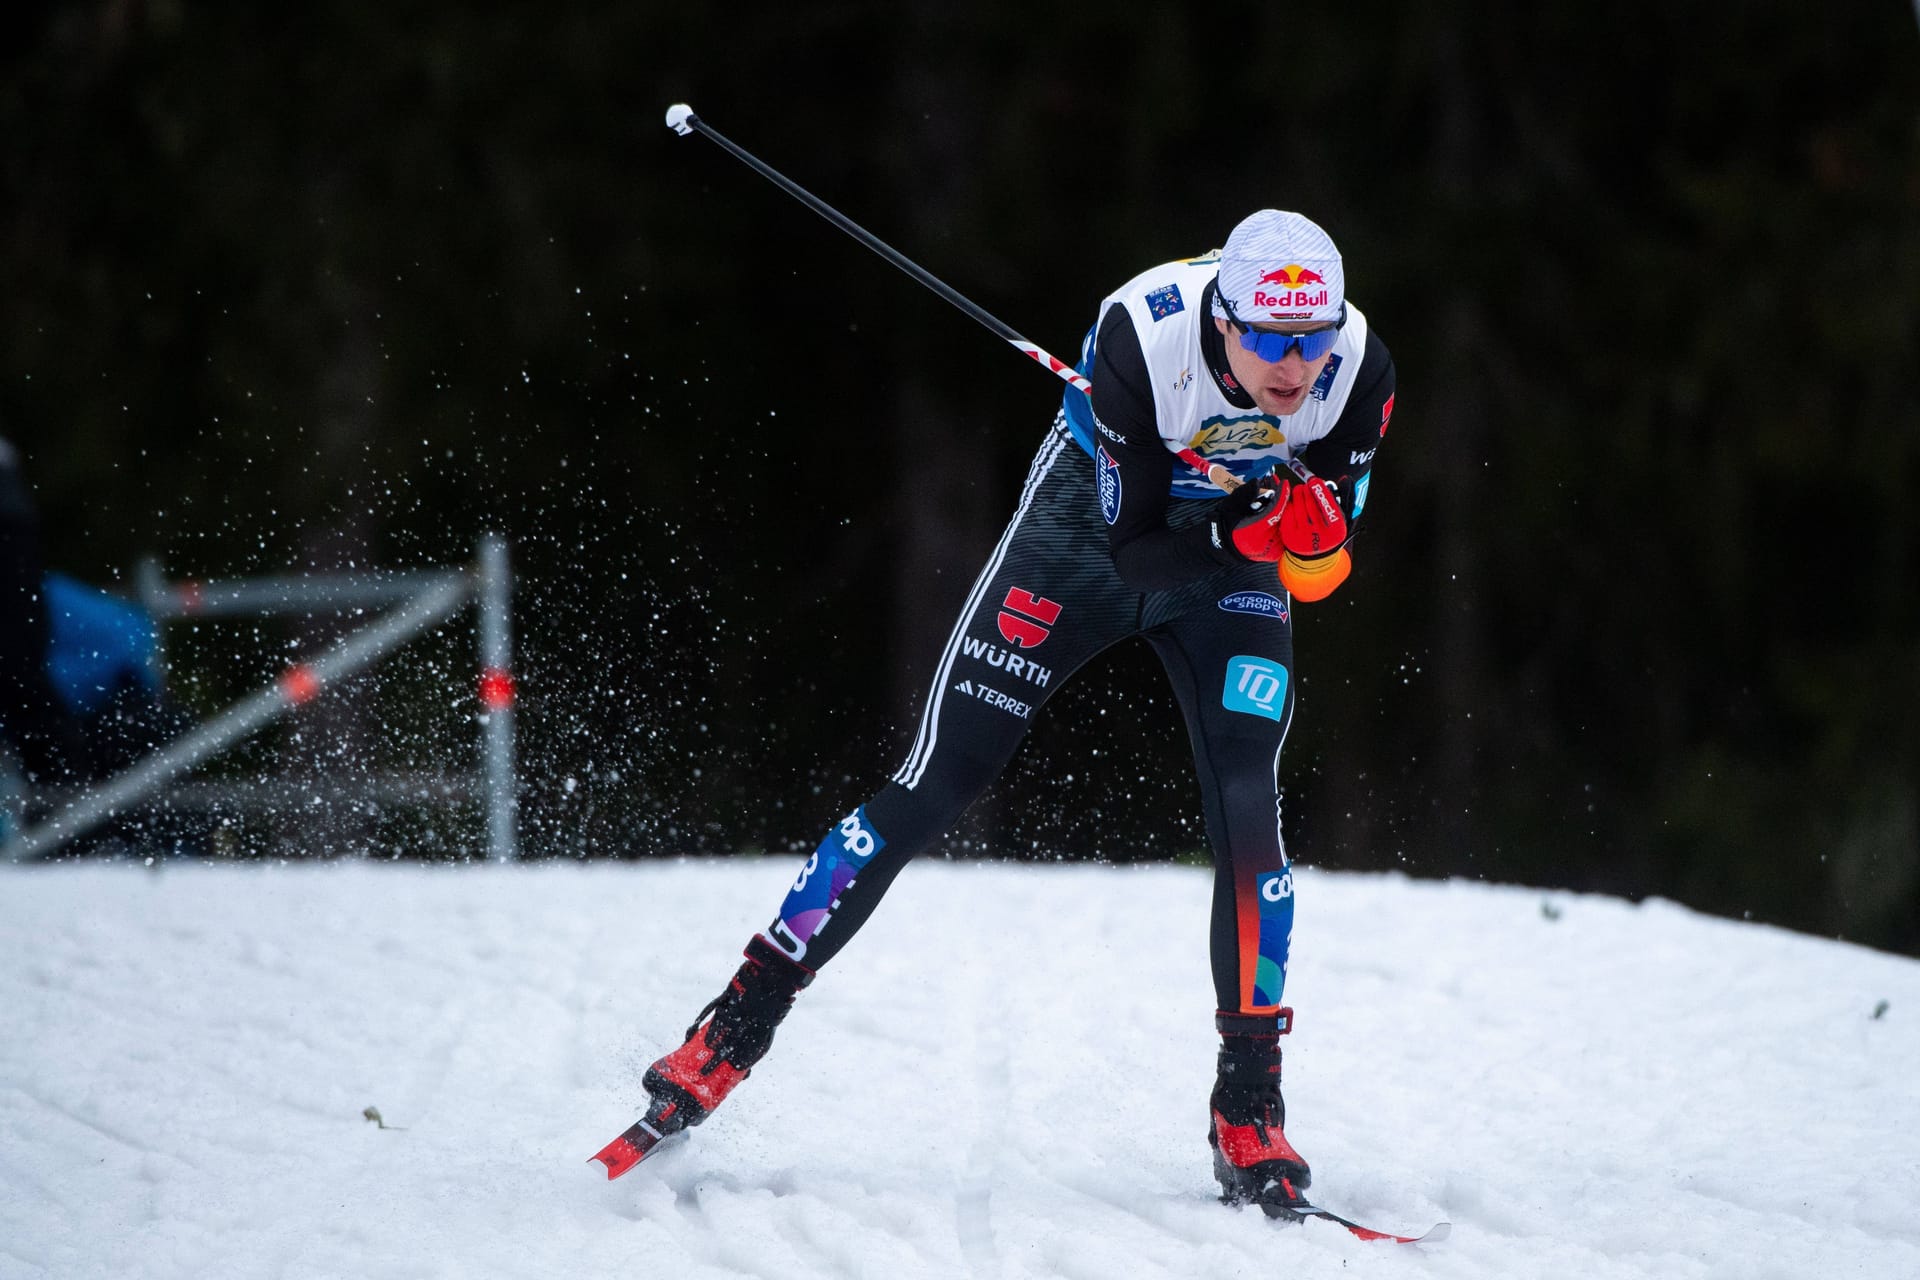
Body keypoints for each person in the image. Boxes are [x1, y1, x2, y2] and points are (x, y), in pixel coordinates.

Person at [619, 210, 1397, 1211]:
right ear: (1223, 318)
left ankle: (1250, 1100)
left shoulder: (1360, 369)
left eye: (1312, 337)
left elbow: (1326, 560)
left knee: (1251, 804)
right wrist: (1250, 536)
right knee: (942, 774)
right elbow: (1140, 554)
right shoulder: (1140, 339)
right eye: (1268, 337)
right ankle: (734, 1023)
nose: (1294, 366)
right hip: (1090, 536)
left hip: (1231, 560)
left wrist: (1308, 535)